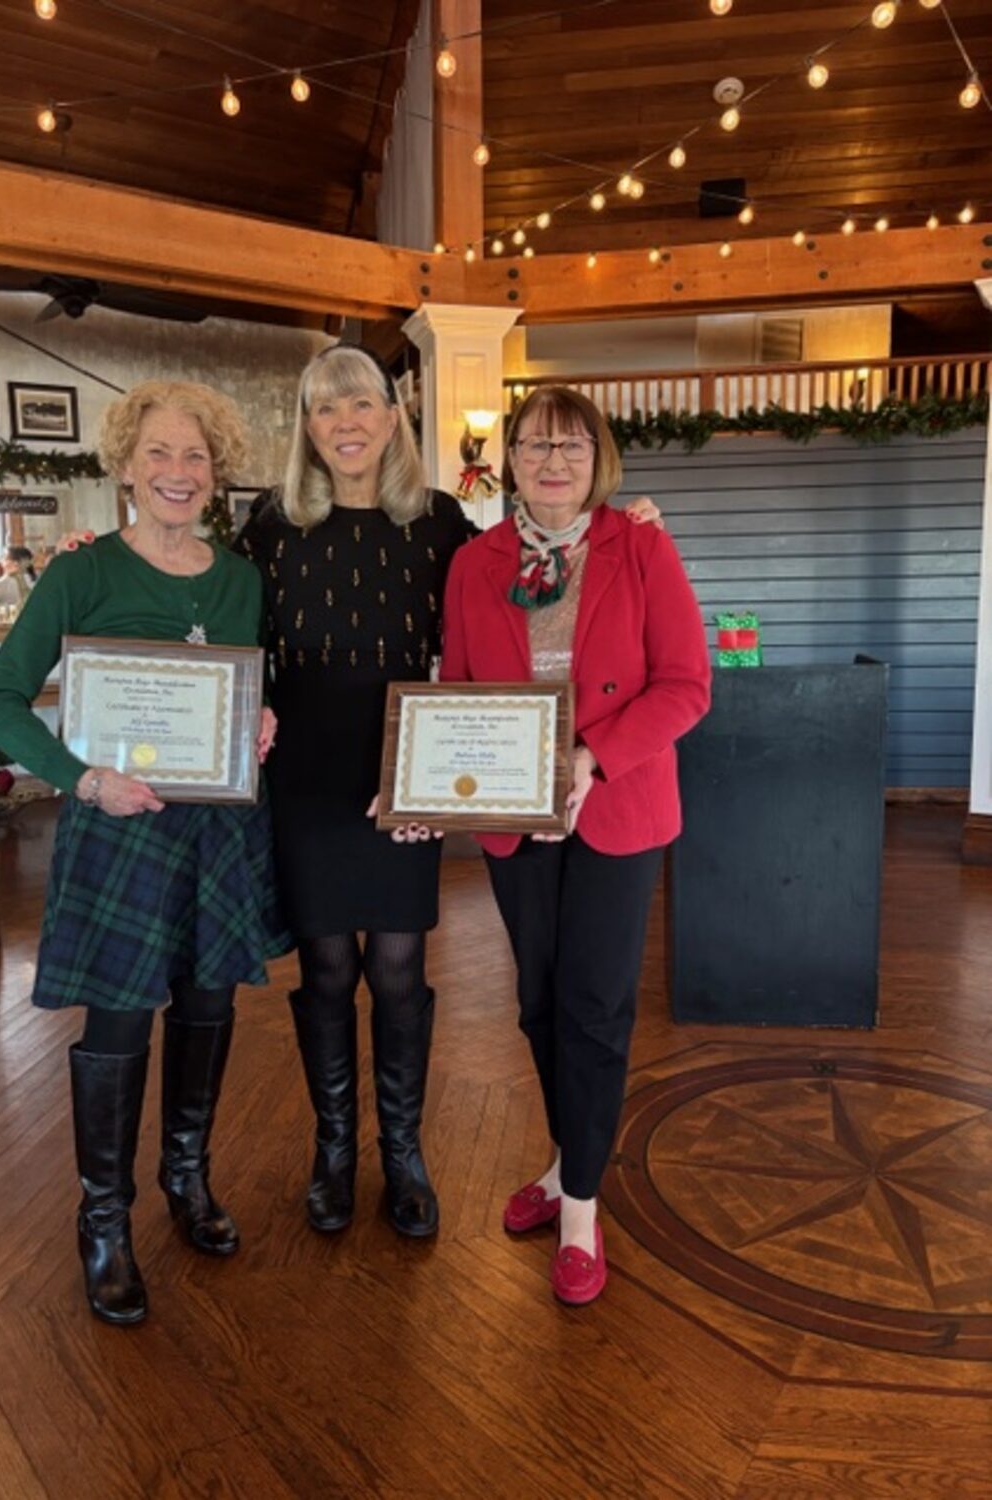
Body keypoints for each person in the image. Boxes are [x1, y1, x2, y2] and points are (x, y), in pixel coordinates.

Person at [235, 346, 663, 1243]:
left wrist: (629, 527)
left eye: (361, 404)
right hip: (308, 771)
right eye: (323, 409)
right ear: (307, 430)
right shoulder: (269, 525)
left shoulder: (439, 526)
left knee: (397, 968)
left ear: (394, 418)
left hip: (410, 764)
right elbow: (238, 639)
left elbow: (527, 588)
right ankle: (333, 1155)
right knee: (324, 971)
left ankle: (404, 1155)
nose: (344, 422)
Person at [0, 380, 291, 1326]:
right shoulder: (81, 573)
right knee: (118, 1024)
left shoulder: (241, 579)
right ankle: (102, 1221)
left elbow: (244, 692)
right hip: (117, 827)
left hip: (218, 829)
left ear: (215, 473)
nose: (177, 473)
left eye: (195, 457)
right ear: (125, 467)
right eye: (158, 453)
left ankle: (185, 1180)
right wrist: (81, 778)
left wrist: (261, 717)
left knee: (205, 1004)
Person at [440, 384, 709, 1306]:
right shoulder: (474, 563)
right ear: (506, 458)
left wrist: (595, 756)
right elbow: (456, 687)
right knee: (537, 1003)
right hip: (517, 816)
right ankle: (564, 1165)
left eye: (571, 445)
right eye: (534, 445)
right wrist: (434, 779)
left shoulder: (640, 545)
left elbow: (685, 685)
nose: (553, 461)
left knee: (593, 1007)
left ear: (597, 459)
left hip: (615, 807)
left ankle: (582, 1211)